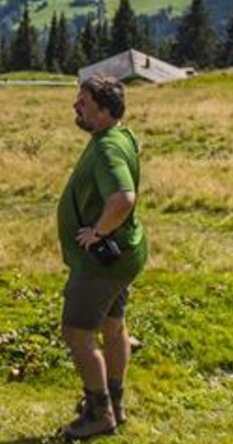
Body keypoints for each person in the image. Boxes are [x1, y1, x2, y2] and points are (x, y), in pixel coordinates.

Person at [57, 75, 147, 440]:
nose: (76, 107)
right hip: (123, 256)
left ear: (105, 110)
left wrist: (98, 232)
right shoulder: (120, 134)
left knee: (77, 335)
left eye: (83, 103)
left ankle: (99, 414)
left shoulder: (108, 147)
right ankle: (115, 402)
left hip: (101, 264)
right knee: (113, 327)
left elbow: (124, 198)